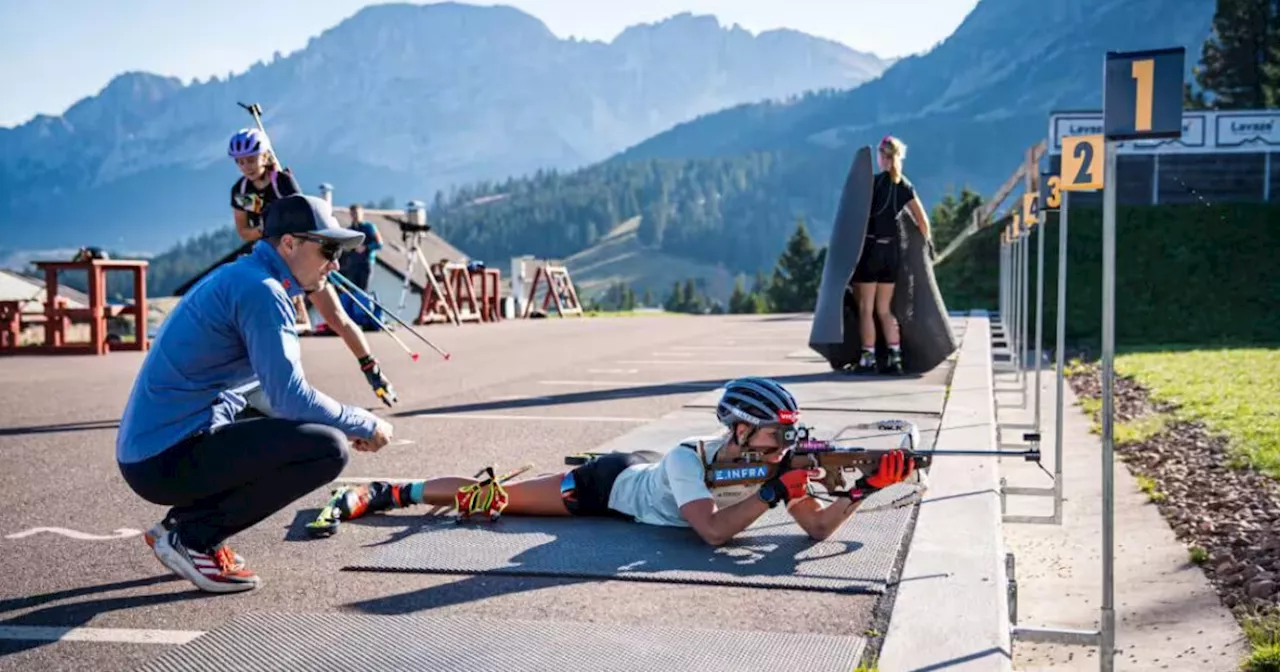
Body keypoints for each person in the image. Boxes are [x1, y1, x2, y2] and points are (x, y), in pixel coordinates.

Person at [116, 193, 396, 594]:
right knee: (327, 449)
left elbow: (263, 393)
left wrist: (327, 418)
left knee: (308, 433)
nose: (336, 263)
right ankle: (193, 538)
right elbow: (290, 398)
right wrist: (362, 421)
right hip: (164, 459)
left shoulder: (247, 277)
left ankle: (182, 526)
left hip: (154, 452)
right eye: (329, 249)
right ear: (289, 244)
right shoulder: (262, 290)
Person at [330, 377, 915, 546]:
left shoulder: (769, 463)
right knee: (493, 500)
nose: (783, 448)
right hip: (608, 485)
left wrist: (860, 492)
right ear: (739, 428)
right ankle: (391, 492)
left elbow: (815, 527)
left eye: (788, 437)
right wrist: (772, 492)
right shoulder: (693, 457)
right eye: (773, 435)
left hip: (649, 474)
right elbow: (711, 532)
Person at [228, 129, 398, 406]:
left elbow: (305, 220)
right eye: (239, 161)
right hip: (270, 260)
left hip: (302, 260)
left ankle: (373, 371)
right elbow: (243, 231)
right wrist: (267, 229)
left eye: (251, 158)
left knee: (337, 318)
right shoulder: (241, 191)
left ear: (265, 155)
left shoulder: (281, 181)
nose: (245, 166)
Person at [848, 135, 933, 375]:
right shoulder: (904, 185)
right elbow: (923, 223)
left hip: (871, 250)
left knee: (866, 308)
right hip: (891, 253)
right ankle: (895, 358)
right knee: (884, 309)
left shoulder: (872, 184)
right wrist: (923, 249)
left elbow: (853, 218)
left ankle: (869, 358)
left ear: (882, 156)